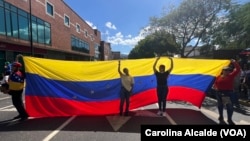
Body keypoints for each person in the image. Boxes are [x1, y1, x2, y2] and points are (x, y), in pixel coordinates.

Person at [213, 59, 240, 125]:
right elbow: (216, 83)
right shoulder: (219, 76)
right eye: (225, 70)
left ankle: (229, 119)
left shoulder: (231, 75)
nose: (227, 71)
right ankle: (221, 116)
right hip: (219, 93)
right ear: (223, 71)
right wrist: (215, 87)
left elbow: (238, 69)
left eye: (228, 70)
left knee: (229, 107)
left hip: (228, 93)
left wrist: (234, 62)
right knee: (220, 105)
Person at [8, 55, 29, 121]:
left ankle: (24, 115)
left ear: (17, 67)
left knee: (17, 102)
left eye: (13, 66)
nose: (12, 67)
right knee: (17, 102)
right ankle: (21, 114)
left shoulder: (19, 73)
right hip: (14, 89)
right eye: (12, 66)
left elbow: (19, 80)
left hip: (17, 90)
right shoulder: (15, 72)